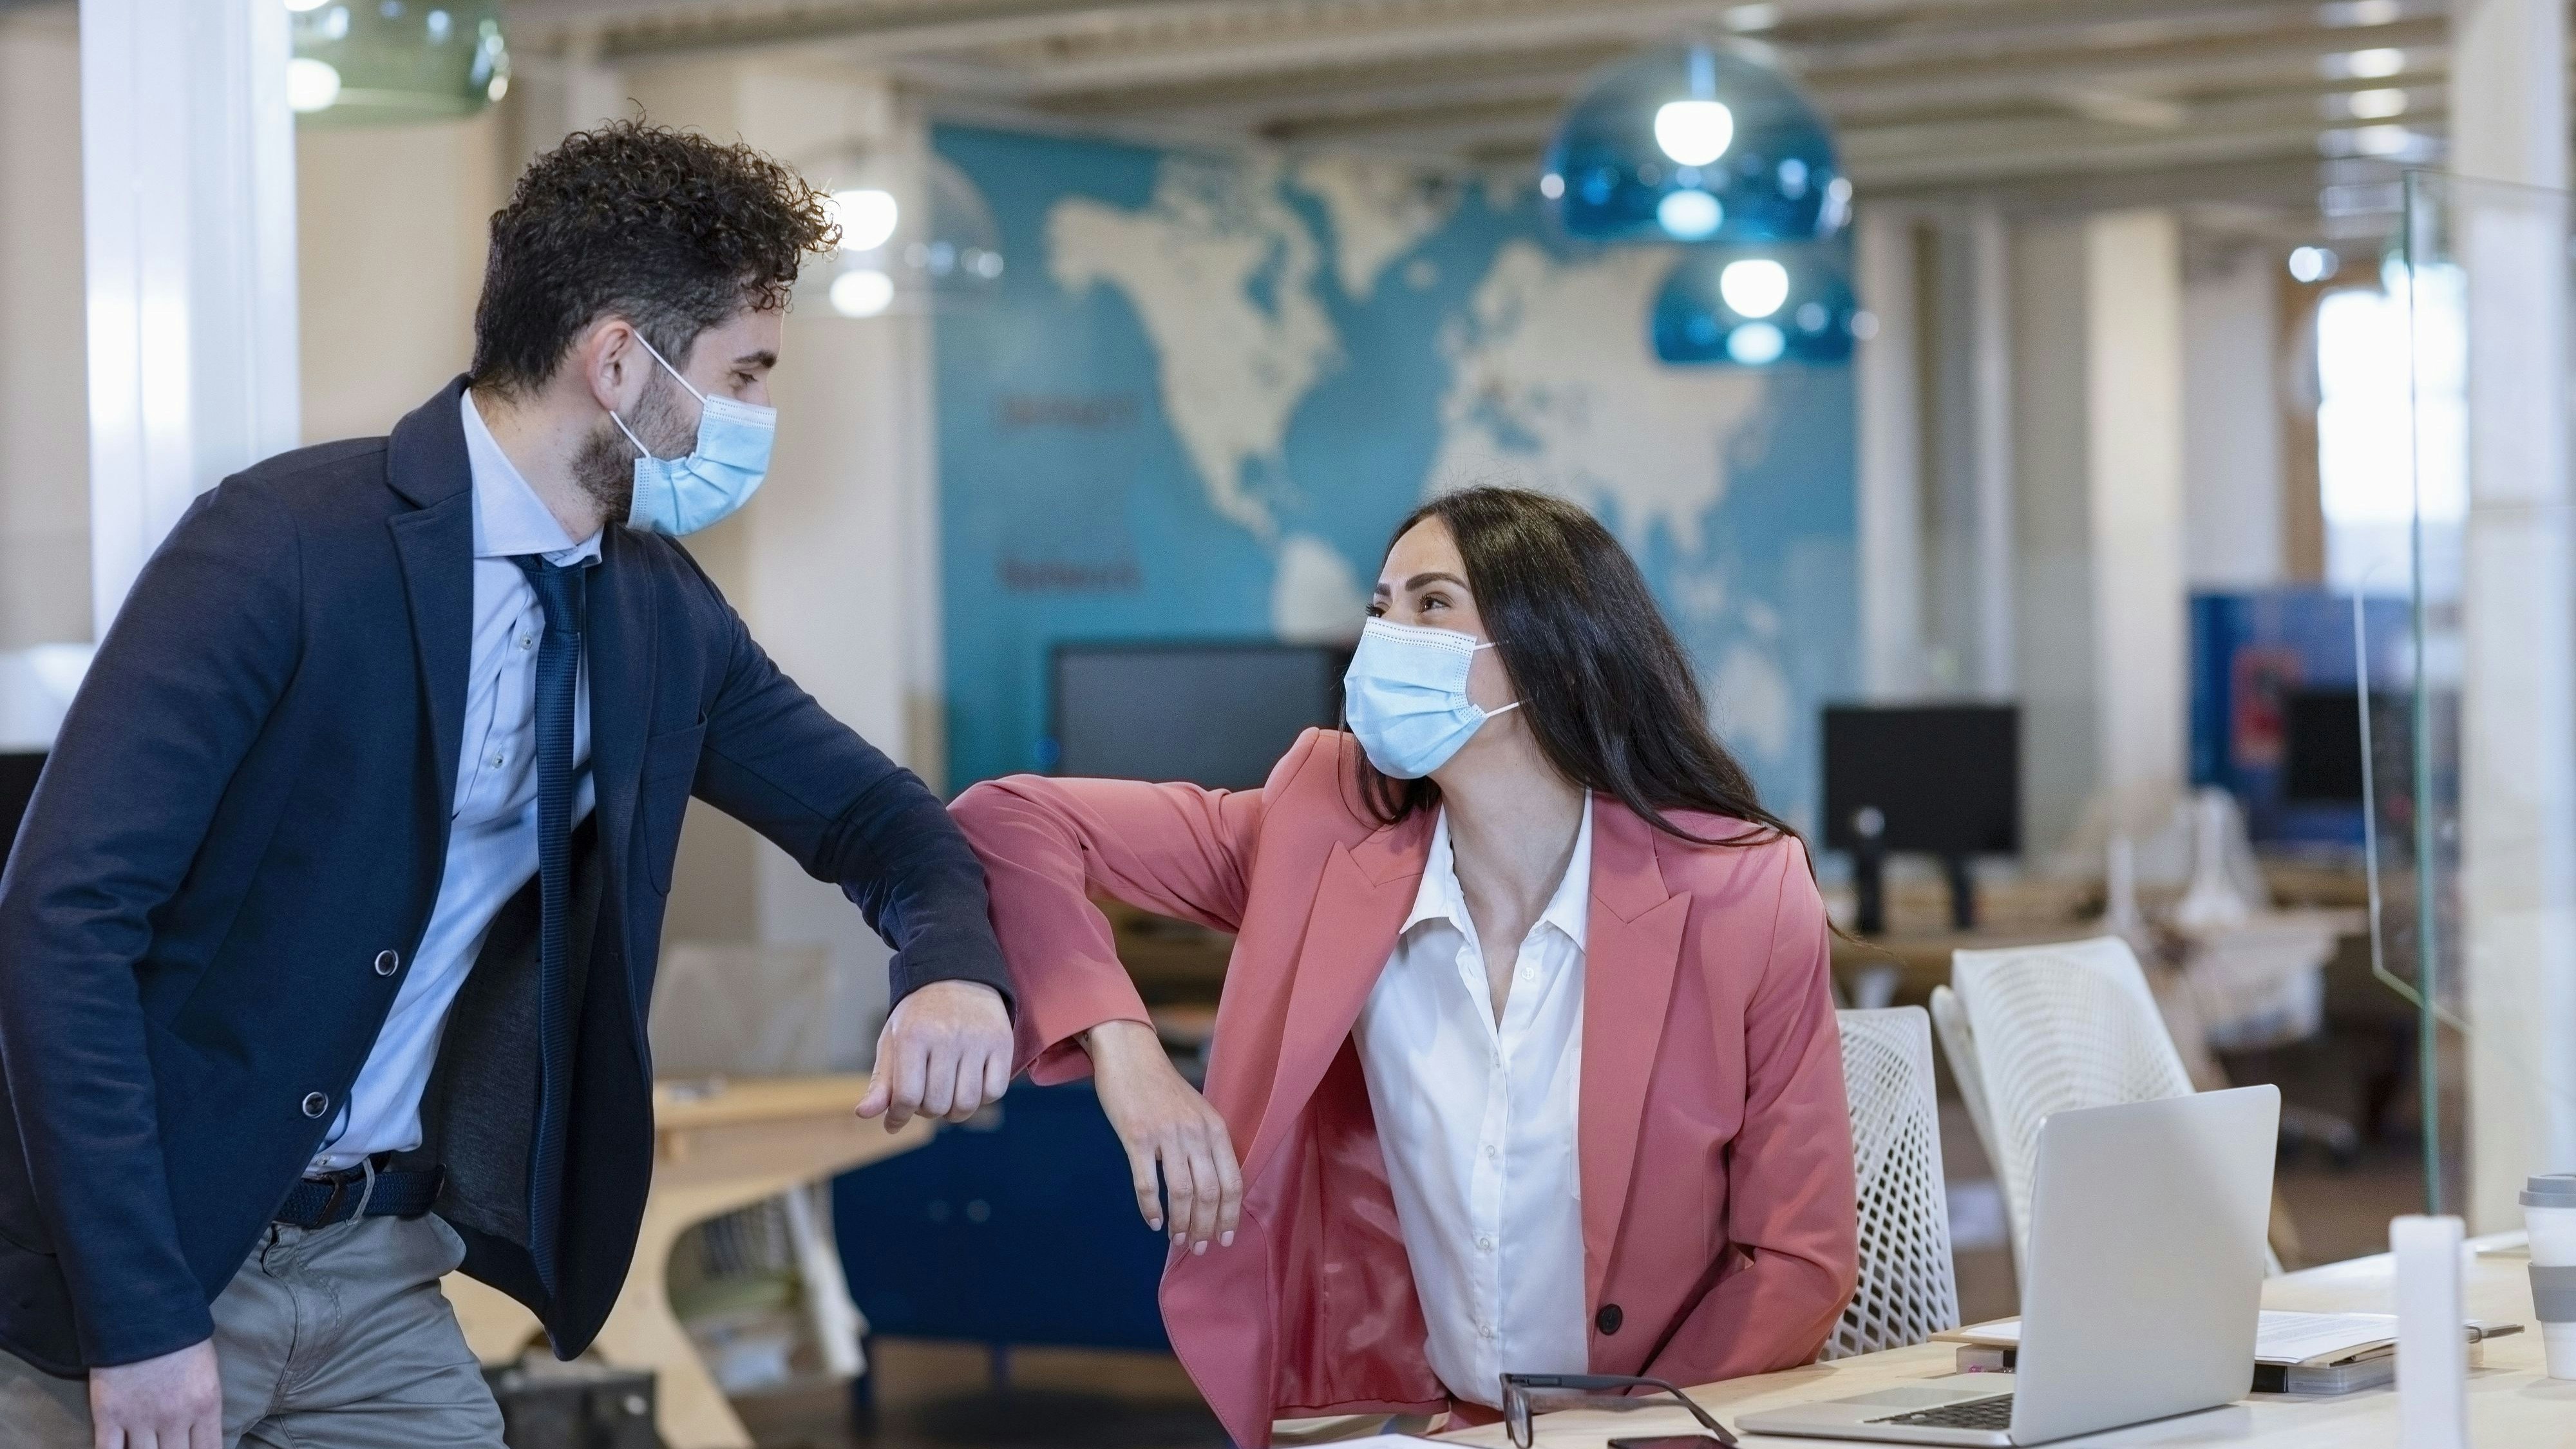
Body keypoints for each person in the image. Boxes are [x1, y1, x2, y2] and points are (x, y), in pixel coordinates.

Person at [0, 122, 1015, 1448]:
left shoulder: (659, 618)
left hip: (380, 1278)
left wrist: (947, 964)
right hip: (141, 1271)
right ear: (615, 363)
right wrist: (136, 1317)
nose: (761, 418)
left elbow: (880, 821)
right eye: (745, 374)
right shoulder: (284, 548)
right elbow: (61, 920)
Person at [952, 486, 1859, 1446]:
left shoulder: (1741, 892)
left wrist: (1616, 1438)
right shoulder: (1323, 826)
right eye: (1380, 608)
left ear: (1553, 646)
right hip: (1444, 1426)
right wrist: (1127, 1055)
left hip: (1670, 1427)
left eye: (1432, 604)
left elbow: (1798, 1256)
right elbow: (1007, 819)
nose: (1387, 637)